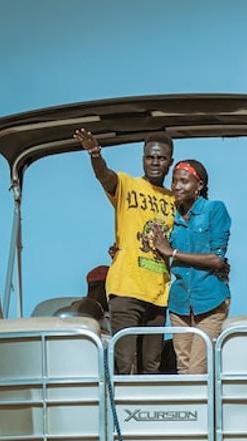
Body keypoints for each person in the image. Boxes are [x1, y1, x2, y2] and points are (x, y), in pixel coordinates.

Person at [74, 129, 176, 374]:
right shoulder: (128, 185)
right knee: (126, 363)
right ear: (143, 159)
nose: (155, 162)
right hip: (127, 288)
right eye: (150, 157)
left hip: (158, 293)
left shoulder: (174, 200)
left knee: (152, 366)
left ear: (170, 162)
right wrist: (95, 153)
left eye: (161, 158)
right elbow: (104, 176)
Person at [151, 159, 231, 375]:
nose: (177, 186)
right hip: (179, 304)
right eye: (174, 181)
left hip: (210, 301)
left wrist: (173, 253)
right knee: (183, 369)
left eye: (184, 181)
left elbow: (217, 259)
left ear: (199, 185)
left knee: (198, 369)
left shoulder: (214, 209)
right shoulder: (170, 215)